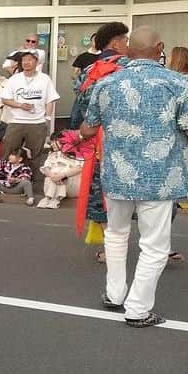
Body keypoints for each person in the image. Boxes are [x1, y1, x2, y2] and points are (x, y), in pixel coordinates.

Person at [81, 27, 188, 327]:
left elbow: (86, 130)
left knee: (116, 234)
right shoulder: (180, 83)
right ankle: (137, 308)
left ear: (128, 51)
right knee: (154, 246)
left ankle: (114, 294)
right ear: (159, 47)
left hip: (117, 174)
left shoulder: (106, 84)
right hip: (160, 178)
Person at [68, 21, 131, 263]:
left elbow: (84, 107)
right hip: (131, 141)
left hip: (99, 143)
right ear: (116, 42)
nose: (127, 45)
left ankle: (111, 247)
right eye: (125, 41)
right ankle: (157, 247)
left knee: (101, 195)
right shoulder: (131, 67)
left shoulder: (87, 71)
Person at [0, 51, 58, 179]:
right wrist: (20, 105)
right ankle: (3, 177)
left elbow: (50, 99)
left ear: (37, 62)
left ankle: (30, 179)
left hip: (37, 122)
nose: (26, 62)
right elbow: (5, 99)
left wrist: (48, 118)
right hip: (16, 121)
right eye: (24, 60)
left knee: (35, 154)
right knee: (8, 150)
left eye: (30, 59)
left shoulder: (44, 79)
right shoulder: (14, 79)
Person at [36, 133, 82, 209]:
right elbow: (45, 168)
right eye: (51, 142)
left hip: (72, 186)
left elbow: (79, 168)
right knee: (52, 174)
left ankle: (52, 198)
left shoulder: (77, 154)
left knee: (59, 170)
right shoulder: (52, 154)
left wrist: (63, 175)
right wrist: (53, 176)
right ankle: (50, 198)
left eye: (55, 141)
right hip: (55, 182)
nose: (52, 144)